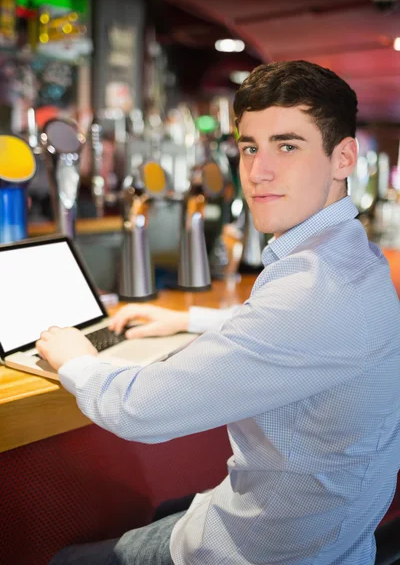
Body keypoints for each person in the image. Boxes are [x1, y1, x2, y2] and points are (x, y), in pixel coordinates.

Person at [38, 60, 400, 565]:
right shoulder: (352, 255)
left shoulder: (312, 291)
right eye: (250, 147)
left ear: (343, 158)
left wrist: (76, 357)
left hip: (270, 550)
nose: (257, 172)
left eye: (287, 146)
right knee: (170, 506)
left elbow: (141, 410)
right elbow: (295, 334)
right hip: (333, 535)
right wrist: (190, 321)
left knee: (65, 560)